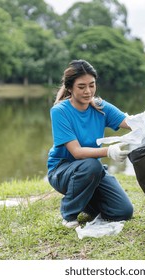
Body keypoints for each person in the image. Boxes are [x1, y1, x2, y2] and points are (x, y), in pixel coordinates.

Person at [47, 59, 134, 228]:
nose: (88, 91)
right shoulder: (60, 112)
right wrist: (108, 151)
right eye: (81, 87)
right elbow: (77, 152)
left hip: (91, 172)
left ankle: (85, 198)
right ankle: (69, 213)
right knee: (91, 165)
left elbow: (128, 122)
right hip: (63, 171)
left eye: (92, 85)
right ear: (70, 88)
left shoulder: (100, 107)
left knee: (123, 211)